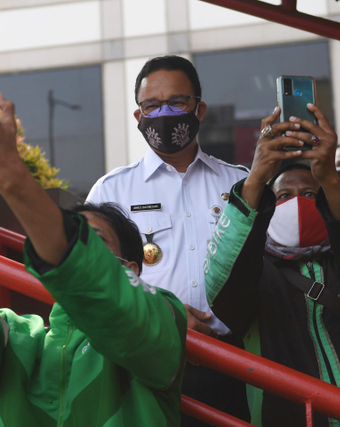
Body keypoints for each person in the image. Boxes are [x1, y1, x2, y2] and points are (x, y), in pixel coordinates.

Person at [0, 93, 187, 426]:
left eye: (93, 242)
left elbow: (109, 298)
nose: (62, 249)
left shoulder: (164, 319)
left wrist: (10, 173)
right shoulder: (16, 337)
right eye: (61, 239)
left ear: (132, 268)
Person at [86, 55, 250, 425]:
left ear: (199, 109)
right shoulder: (111, 191)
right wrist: (168, 316)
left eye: (177, 102)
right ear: (138, 117)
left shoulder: (240, 183)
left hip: (235, 362)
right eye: (151, 105)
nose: (164, 113)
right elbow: (96, 279)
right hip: (149, 361)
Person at [204, 104, 340, 426]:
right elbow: (222, 291)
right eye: (285, 195)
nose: (298, 202)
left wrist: (330, 177)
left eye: (309, 193)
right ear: (269, 207)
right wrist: (256, 178)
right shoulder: (255, 271)